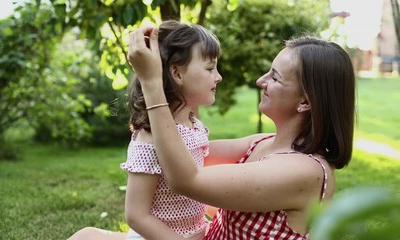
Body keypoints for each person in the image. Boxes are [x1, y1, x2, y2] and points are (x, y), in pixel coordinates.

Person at [127, 25, 356, 239]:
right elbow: (180, 153)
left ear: (305, 101)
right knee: (89, 234)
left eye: (274, 77)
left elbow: (186, 179)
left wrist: (152, 84)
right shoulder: (264, 143)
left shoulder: (303, 171)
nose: (260, 81)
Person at [67, 19, 222, 240]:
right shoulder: (148, 138)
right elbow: (136, 216)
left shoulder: (194, 125)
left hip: (195, 232)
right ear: (177, 74)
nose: (218, 76)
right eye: (209, 68)